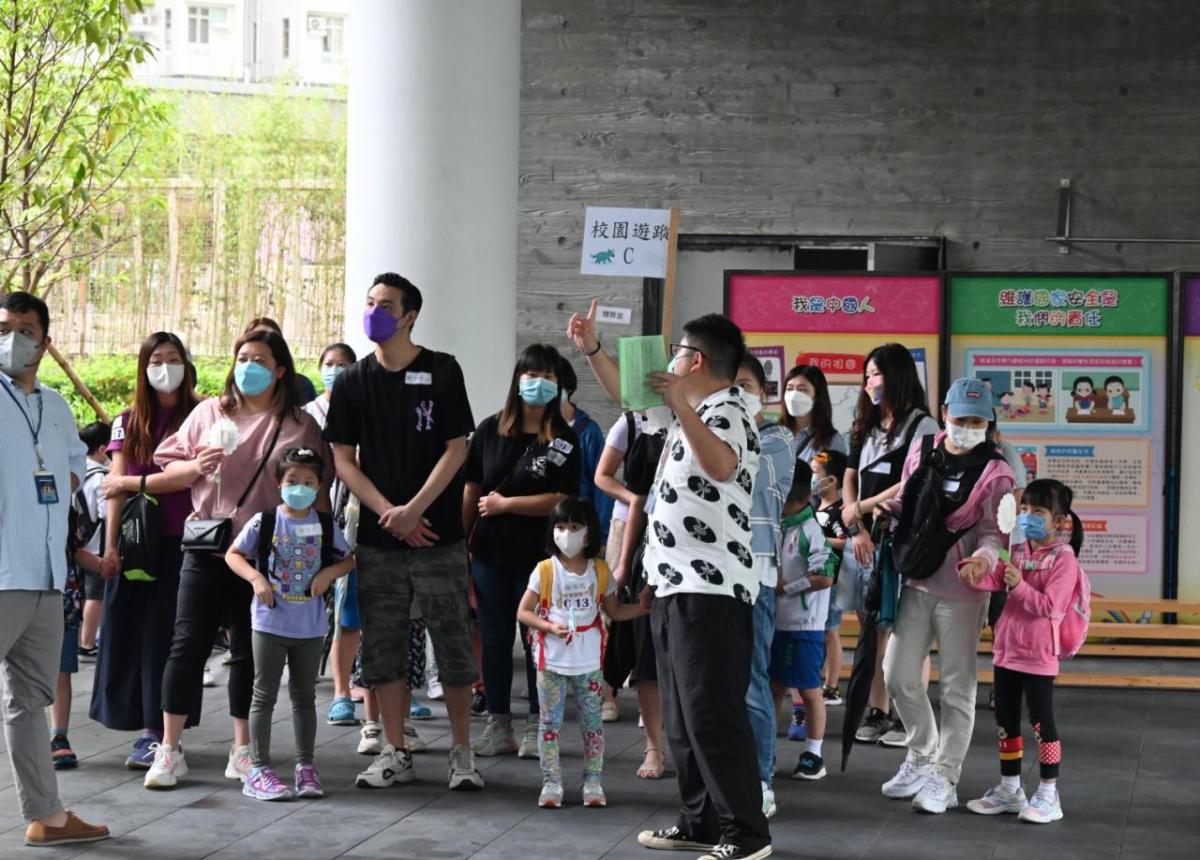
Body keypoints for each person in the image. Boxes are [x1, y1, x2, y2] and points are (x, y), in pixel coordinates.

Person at [145, 328, 328, 789]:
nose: (248, 367)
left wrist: (322, 555)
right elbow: (169, 465)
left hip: (266, 556)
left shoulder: (299, 424)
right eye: (242, 357)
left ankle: (242, 749)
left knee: (249, 652)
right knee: (187, 644)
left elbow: (317, 488)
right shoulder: (210, 412)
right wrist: (196, 466)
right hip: (208, 547)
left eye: (260, 360)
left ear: (280, 370)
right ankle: (169, 749)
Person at [324, 272, 483, 790]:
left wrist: (415, 510)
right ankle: (395, 749)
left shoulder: (442, 370)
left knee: (452, 642)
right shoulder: (353, 381)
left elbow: (456, 448)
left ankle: (462, 752)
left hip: (438, 534)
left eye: (387, 305)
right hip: (379, 539)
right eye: (370, 303)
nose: (375, 312)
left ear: (410, 316)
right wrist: (390, 512)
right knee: (383, 645)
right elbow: (343, 459)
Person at [635, 314, 772, 860]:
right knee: (682, 717)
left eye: (678, 350)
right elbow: (627, 392)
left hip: (711, 590)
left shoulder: (731, 408)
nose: (670, 359)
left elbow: (721, 466)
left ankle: (746, 833)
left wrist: (682, 407)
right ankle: (701, 822)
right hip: (673, 583)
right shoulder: (686, 413)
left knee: (712, 714)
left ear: (697, 360)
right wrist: (593, 348)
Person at [0, 291, 109, 846]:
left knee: (29, 703)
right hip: (2, 573)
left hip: (45, 574)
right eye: (3, 327)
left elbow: (72, 465)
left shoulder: (56, 403)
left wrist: (45, 488)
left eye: (25, 329)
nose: (13, 338)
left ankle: (47, 816)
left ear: (45, 341)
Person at [880, 377, 1016, 815]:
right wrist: (886, 511)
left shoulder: (997, 473)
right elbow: (908, 499)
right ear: (944, 413)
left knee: (958, 687)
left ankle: (946, 776)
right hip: (916, 580)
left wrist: (982, 559)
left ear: (989, 422)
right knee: (897, 675)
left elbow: (995, 534)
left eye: (977, 421)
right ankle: (922, 753)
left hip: (964, 592)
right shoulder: (922, 450)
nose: (968, 428)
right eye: (961, 419)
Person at [464, 343, 581, 759]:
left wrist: (507, 504)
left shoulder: (564, 439)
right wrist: (463, 544)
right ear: (518, 379)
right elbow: (472, 489)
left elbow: (561, 498)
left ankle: (539, 725)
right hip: (490, 553)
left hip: (541, 559)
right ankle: (498, 724)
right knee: (495, 639)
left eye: (549, 377)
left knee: (539, 641)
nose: (539, 383)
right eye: (533, 375)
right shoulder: (489, 430)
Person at [92, 332, 203, 768]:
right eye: (156, 360)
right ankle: (144, 727)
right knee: (127, 631)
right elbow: (113, 487)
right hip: (136, 543)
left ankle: (161, 732)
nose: (164, 367)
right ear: (143, 367)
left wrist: (133, 482)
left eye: (173, 358)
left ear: (186, 365)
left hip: (186, 541)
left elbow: (188, 476)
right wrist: (110, 547)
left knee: (168, 635)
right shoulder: (127, 420)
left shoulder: (202, 413)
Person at [226, 448, 355, 801]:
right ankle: (258, 768)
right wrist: (256, 579)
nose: (300, 488)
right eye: (292, 480)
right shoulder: (265, 521)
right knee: (264, 694)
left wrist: (328, 573)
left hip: (309, 626)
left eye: (309, 482)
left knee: (304, 697)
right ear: (278, 483)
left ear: (319, 486)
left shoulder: (325, 525)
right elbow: (234, 555)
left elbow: (348, 560)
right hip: (269, 622)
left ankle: (305, 766)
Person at [961, 478, 1083, 825]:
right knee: (1006, 722)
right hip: (1006, 650)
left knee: (1042, 724)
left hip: (1039, 655)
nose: (1028, 516)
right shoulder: (1014, 550)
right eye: (1025, 509)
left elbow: (1050, 606)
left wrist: (1020, 586)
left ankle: (1048, 792)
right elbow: (995, 579)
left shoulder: (1064, 559)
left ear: (1059, 521)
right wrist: (976, 571)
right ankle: (1010, 788)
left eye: (1038, 511)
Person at [516, 498, 648, 808]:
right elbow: (524, 611)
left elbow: (614, 611)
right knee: (549, 725)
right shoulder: (544, 570)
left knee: (592, 725)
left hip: (589, 662)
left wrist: (642, 609)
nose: (567, 533)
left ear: (589, 534)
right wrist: (549, 627)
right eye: (560, 527)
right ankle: (551, 783)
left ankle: (593, 782)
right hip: (551, 662)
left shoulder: (600, 571)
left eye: (575, 527)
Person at [841, 343, 939, 745]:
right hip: (866, 539)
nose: (870, 382)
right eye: (867, 375)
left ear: (897, 376)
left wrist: (861, 507)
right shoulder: (864, 424)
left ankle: (908, 715)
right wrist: (856, 523)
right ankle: (877, 710)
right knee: (874, 627)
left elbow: (912, 481)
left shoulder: (923, 426)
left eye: (877, 373)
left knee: (908, 630)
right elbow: (850, 475)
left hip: (904, 539)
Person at [735, 354, 794, 819]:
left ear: (764, 392)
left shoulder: (777, 438)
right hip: (704, 574)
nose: (737, 394)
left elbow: (747, 480)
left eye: (746, 386)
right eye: (729, 385)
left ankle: (760, 780)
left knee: (753, 680)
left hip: (753, 572)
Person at [556, 355, 621, 722]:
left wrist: (599, 536)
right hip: (549, 534)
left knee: (595, 613)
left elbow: (601, 486)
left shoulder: (587, 430)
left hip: (583, 532)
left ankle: (604, 691)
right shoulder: (533, 429)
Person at [771, 459, 837, 782]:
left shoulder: (811, 529)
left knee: (810, 690)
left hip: (805, 626)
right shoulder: (780, 525)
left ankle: (814, 755)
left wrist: (787, 588)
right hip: (777, 623)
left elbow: (825, 576)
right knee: (774, 687)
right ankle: (765, 750)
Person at [49, 503, 92, 772]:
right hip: (21, 595)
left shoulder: (64, 506)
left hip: (64, 602)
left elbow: (74, 551)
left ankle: (59, 736)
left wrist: (103, 565)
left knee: (61, 672)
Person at [811, 451, 850, 706]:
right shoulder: (815, 508)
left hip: (833, 580)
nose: (812, 479)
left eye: (815, 473)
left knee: (830, 631)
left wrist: (819, 540)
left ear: (832, 480)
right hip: (817, 580)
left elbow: (846, 542)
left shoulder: (839, 512)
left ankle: (832, 686)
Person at [75, 421, 111, 660]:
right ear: (102, 449)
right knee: (95, 596)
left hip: (79, 542)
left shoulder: (79, 472)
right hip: (96, 544)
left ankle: (86, 639)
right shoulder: (101, 478)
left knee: (87, 593)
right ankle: (87, 643)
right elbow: (106, 513)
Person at [780, 364, 848, 465]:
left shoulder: (832, 440)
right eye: (789, 389)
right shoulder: (774, 433)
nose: (793, 396)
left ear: (817, 396)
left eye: (802, 390)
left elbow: (836, 473)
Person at [244, 317, 318, 404]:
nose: (264, 341)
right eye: (256, 337)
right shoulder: (236, 386)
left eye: (271, 338)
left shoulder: (302, 385)